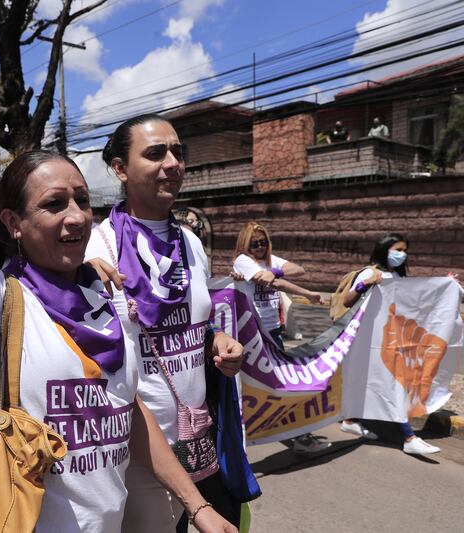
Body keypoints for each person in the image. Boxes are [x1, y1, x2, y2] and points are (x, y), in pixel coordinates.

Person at [0, 81, 237, 533]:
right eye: (54, 204)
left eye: (82, 200)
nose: (76, 216)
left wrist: (198, 507)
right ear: (13, 222)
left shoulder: (103, 292)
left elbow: (127, 408)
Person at [86, 114, 256, 533]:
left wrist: (216, 340)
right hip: (132, 450)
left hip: (194, 439)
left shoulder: (192, 243)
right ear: (120, 169)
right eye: (155, 153)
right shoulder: (95, 246)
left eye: (178, 152)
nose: (172, 163)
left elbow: (191, 323)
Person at [339, 233, 441, 455]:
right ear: (384, 249)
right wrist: (365, 284)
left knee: (378, 382)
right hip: (369, 340)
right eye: (398, 250)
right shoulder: (370, 272)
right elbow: (347, 301)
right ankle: (408, 437)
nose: (402, 255)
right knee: (393, 384)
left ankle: (349, 420)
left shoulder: (396, 275)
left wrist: (446, 286)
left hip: (390, 339)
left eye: (405, 251)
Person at [232, 222, 329, 455]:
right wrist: (306, 293)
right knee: (251, 385)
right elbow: (274, 283)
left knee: (281, 382)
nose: (259, 247)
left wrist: (274, 270)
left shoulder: (271, 261)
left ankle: (296, 435)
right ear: (245, 244)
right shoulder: (242, 261)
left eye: (263, 242)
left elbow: (298, 270)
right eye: (254, 243)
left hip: (273, 331)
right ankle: (241, 437)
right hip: (251, 332)